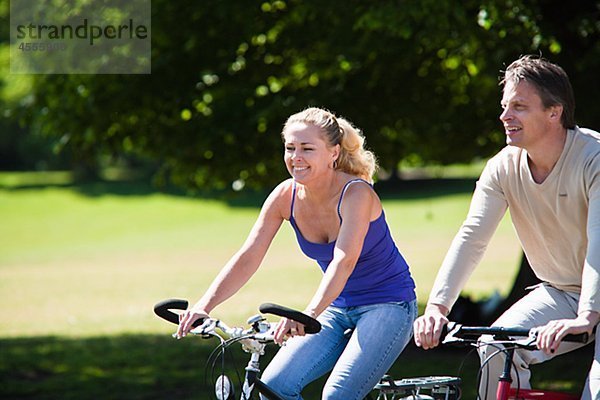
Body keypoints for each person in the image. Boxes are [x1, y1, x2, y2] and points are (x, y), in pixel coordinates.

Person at [177, 107, 417, 400]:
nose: (296, 157)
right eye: (290, 148)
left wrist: (308, 313)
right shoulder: (285, 196)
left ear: (333, 153)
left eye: (307, 148)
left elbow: (344, 261)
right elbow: (249, 254)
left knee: (338, 395)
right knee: (274, 388)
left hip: (388, 304)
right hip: (336, 307)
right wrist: (204, 305)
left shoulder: (356, 194)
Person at [413, 54, 600, 399]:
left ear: (554, 112)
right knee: (496, 348)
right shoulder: (502, 167)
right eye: (504, 106)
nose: (504, 116)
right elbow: (472, 238)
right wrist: (437, 308)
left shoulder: (594, 157)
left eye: (519, 106)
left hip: (589, 296)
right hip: (563, 291)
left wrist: (588, 316)